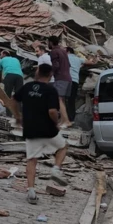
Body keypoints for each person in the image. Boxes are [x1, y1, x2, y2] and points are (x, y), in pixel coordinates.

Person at [13, 64, 69, 204]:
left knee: (32, 160)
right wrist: (56, 122)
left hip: (31, 130)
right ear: (50, 75)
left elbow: (14, 99)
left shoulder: (27, 87)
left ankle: (31, 192)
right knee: (62, 147)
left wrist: (17, 116)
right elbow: (52, 111)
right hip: (48, 130)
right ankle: (56, 169)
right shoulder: (51, 90)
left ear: (37, 72)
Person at [48, 36, 71, 126]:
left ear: (51, 42)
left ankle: (66, 121)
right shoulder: (63, 51)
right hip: (68, 78)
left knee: (58, 99)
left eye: (48, 42)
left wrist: (50, 74)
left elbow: (56, 66)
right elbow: (68, 65)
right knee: (62, 100)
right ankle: (62, 121)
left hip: (61, 78)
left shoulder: (54, 52)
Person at [66, 47, 86, 122]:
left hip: (67, 80)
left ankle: (64, 118)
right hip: (75, 81)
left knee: (63, 99)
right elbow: (90, 62)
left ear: (68, 51)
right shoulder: (78, 59)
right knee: (71, 100)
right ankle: (71, 118)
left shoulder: (65, 57)